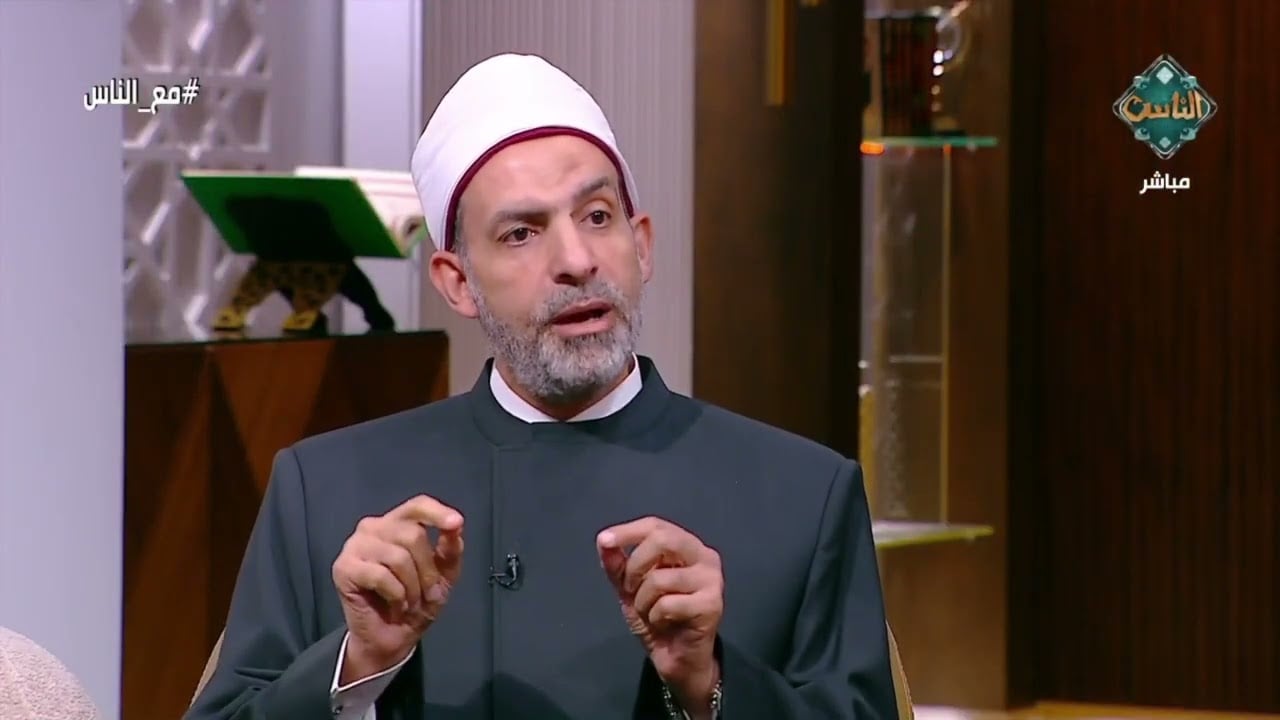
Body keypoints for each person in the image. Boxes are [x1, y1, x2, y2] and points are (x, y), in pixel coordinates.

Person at [185, 52, 898, 720]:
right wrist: (357, 664)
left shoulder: (803, 497)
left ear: (642, 244)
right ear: (457, 283)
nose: (576, 259)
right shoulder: (326, 491)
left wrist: (708, 682)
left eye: (597, 216)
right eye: (521, 233)